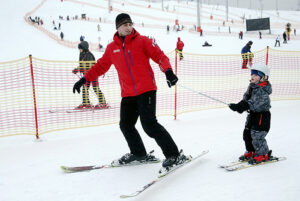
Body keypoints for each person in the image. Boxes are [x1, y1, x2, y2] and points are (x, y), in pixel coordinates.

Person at [72, 13, 189, 170]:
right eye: (125, 25)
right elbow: (100, 66)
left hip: (146, 90)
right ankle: (139, 153)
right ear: (118, 27)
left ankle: (174, 155)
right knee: (126, 125)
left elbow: (160, 56)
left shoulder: (143, 41)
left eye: (130, 24)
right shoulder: (112, 48)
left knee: (149, 125)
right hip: (128, 94)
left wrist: (168, 71)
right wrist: (84, 79)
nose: (128, 27)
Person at [229, 63, 272, 164]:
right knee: (247, 134)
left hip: (262, 116)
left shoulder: (263, 91)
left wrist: (241, 107)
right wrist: (237, 105)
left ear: (263, 77)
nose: (252, 76)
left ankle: (262, 154)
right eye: (252, 74)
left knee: (257, 136)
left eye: (256, 75)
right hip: (252, 114)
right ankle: (251, 151)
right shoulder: (252, 86)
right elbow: (246, 98)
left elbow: (254, 103)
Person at [72, 40, 109, 110]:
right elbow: (82, 65)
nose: (79, 50)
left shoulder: (89, 55)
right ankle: (86, 103)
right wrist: (77, 69)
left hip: (93, 74)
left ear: (84, 48)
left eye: (80, 48)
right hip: (86, 75)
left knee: (95, 88)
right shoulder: (82, 54)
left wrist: (80, 70)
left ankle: (103, 102)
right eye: (79, 48)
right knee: (85, 88)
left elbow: (90, 66)